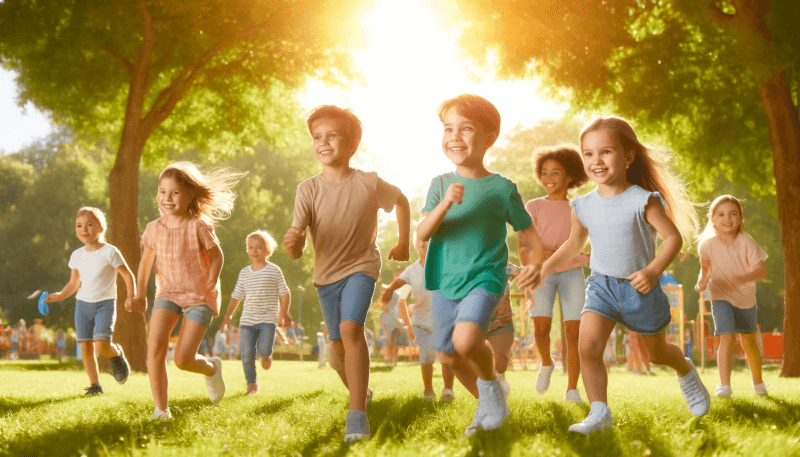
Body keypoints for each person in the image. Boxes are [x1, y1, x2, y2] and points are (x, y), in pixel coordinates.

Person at [537, 115, 708, 435]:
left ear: (628, 156)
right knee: (587, 347)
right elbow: (575, 242)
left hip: (639, 287)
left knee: (655, 353)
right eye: (588, 154)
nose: (596, 160)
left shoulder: (643, 200)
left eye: (606, 152)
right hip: (601, 286)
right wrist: (546, 266)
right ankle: (599, 413)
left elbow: (673, 239)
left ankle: (684, 369)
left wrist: (653, 270)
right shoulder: (582, 205)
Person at [417, 94, 542, 436]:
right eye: (448, 129)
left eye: (465, 129)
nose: (454, 137)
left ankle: (490, 390)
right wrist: (445, 204)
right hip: (444, 280)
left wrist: (537, 264)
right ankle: (491, 402)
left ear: (488, 139)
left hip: (485, 276)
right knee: (449, 355)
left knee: (467, 341)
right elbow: (424, 230)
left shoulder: (501, 188)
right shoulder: (440, 184)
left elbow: (528, 230)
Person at [283, 105, 410, 443]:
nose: (322, 143)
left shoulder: (368, 183)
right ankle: (361, 393)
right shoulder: (307, 189)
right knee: (338, 350)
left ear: (352, 144)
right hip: (325, 276)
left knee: (351, 328)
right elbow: (296, 250)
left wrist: (404, 242)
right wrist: (292, 244)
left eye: (331, 136)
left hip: (362, 266)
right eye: (316, 137)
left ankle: (357, 415)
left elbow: (402, 201)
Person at [132, 162, 245, 420]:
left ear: (190, 195)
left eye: (175, 193)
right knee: (155, 346)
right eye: (162, 192)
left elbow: (217, 257)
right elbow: (145, 263)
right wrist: (140, 295)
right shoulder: (153, 229)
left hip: (199, 296)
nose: (167, 198)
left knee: (183, 359)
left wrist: (212, 280)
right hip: (168, 292)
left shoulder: (198, 226)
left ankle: (211, 368)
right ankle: (161, 410)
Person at [44, 207, 134, 395]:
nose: (84, 229)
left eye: (89, 225)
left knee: (101, 346)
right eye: (79, 225)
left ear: (101, 227)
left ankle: (116, 354)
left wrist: (131, 297)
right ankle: (95, 386)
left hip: (105, 303)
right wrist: (60, 295)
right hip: (82, 305)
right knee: (86, 347)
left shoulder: (111, 252)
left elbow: (127, 275)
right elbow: (73, 283)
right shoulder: (77, 255)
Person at [525, 144, 590, 404]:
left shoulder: (580, 206)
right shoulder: (534, 206)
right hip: (542, 272)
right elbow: (525, 241)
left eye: (555, 173)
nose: (548, 178)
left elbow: (582, 241)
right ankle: (546, 362)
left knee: (573, 332)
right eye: (544, 172)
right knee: (541, 328)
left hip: (572, 272)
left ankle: (572, 389)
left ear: (570, 176)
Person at [695, 195, 769, 397]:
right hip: (720, 296)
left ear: (740, 218)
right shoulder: (706, 246)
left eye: (733, 214)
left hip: (745, 299)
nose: (727, 219)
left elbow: (762, 271)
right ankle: (724, 387)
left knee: (748, 342)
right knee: (725, 337)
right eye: (721, 214)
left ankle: (758, 384)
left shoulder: (746, 242)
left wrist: (743, 278)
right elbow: (706, 270)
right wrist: (702, 281)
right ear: (713, 219)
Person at [381, 236, 457, 402]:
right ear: (416, 246)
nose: (425, 248)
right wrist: (409, 327)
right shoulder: (411, 271)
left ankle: (448, 390)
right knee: (426, 357)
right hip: (420, 322)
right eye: (422, 245)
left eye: (428, 244)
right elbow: (401, 302)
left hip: (443, 318)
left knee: (446, 356)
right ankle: (428, 391)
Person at [221, 230, 292, 395]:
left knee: (264, 349)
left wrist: (284, 312)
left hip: (268, 319)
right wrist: (227, 315)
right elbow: (236, 296)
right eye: (251, 247)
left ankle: (266, 356)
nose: (254, 251)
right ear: (247, 250)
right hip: (247, 320)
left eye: (259, 247)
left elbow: (285, 292)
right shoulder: (244, 273)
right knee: (246, 353)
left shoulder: (274, 270)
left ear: (267, 251)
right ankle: (252, 384)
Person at [484, 265, 521, 398]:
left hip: (502, 323)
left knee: (500, 361)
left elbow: (524, 272)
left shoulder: (505, 268)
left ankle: (499, 376)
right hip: (479, 325)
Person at [378, 286, 411, 366]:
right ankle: (390, 359)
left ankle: (392, 360)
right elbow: (386, 308)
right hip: (390, 319)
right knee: (390, 342)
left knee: (392, 342)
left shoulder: (396, 295)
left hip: (393, 319)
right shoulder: (392, 295)